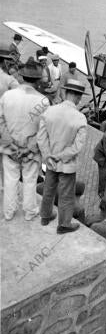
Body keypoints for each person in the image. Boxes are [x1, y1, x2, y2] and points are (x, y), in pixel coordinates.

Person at [0, 59, 50, 221]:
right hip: (30, 150)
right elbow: (43, 130)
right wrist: (30, 146)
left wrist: (10, 143)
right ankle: (29, 211)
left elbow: (1, 122)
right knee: (29, 180)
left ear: (22, 76)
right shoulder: (43, 101)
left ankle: (8, 212)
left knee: (10, 180)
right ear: (37, 80)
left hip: (9, 148)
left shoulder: (8, 95)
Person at [37, 79, 88, 234]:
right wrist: (60, 156)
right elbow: (77, 147)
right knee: (66, 195)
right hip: (67, 165)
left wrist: (49, 156)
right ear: (79, 98)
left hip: (50, 162)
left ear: (65, 93)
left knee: (48, 189)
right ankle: (64, 224)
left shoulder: (49, 111)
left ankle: (45, 216)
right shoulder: (80, 118)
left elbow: (41, 138)